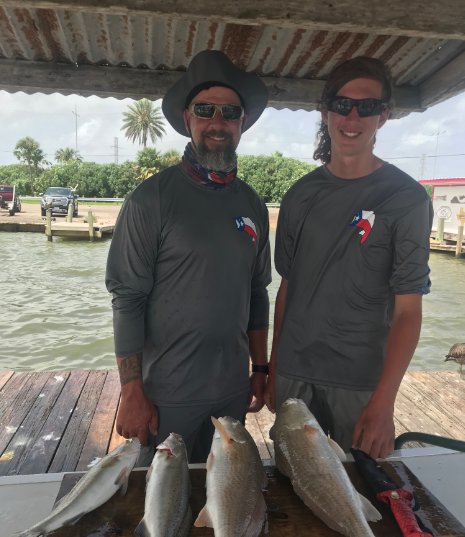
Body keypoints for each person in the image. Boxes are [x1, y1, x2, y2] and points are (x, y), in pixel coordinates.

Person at [106, 50, 271, 465]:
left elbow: (257, 292)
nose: (218, 121)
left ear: (242, 123)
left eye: (230, 112)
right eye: (205, 109)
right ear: (187, 120)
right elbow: (127, 298)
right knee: (162, 516)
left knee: (224, 508)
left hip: (233, 393)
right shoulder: (151, 200)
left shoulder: (252, 203)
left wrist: (261, 367)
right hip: (166, 396)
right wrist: (131, 390)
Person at [264, 57, 433, 460]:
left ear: (384, 116)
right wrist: (273, 369)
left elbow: (409, 311)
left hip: (360, 384)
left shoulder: (407, 199)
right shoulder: (299, 195)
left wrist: (384, 402)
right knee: (296, 491)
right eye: (342, 105)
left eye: (368, 107)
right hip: (294, 376)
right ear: (325, 112)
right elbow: (287, 287)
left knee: (360, 498)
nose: (353, 116)